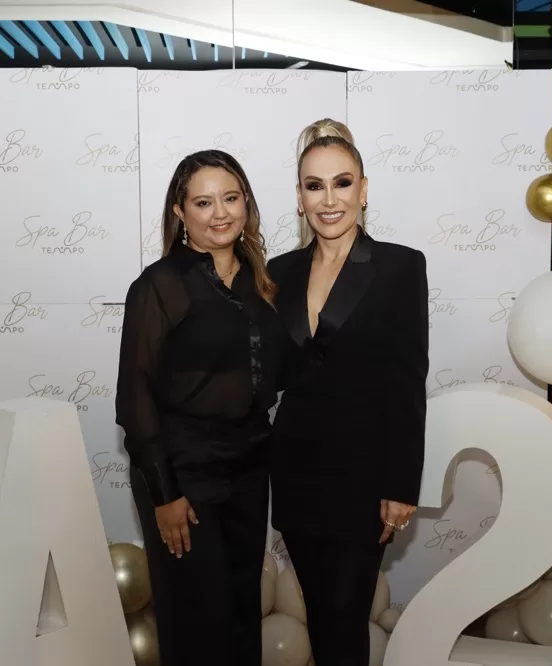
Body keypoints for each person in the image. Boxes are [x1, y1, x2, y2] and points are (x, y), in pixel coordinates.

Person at [267, 119, 429, 665]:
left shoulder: (399, 267)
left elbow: (407, 379)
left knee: (345, 622)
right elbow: (270, 371)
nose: (329, 199)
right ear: (299, 198)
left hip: (364, 481)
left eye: (342, 183)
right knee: (321, 618)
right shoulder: (279, 272)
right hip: (296, 475)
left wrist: (401, 485)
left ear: (363, 189)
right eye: (315, 186)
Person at [115, 150, 286, 666]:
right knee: (196, 623)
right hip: (183, 475)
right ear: (179, 211)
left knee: (241, 616)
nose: (220, 213)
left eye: (230, 198)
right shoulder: (159, 285)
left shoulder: (262, 282)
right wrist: (165, 493)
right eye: (203, 202)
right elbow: (135, 397)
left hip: (249, 472)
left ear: (246, 202)